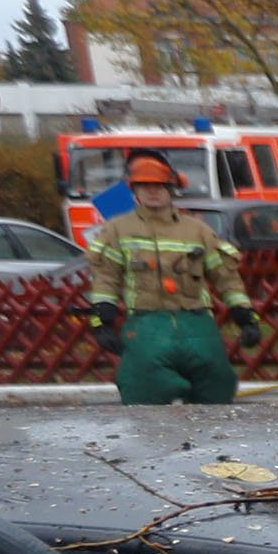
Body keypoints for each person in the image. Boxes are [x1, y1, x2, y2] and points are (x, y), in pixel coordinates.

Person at [82, 152, 260, 405]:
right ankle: (155, 441)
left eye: (160, 186)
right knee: (143, 384)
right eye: (145, 186)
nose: (153, 192)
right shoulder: (117, 229)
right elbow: (105, 277)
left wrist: (245, 316)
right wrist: (102, 318)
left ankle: (211, 439)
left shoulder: (197, 230)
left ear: (172, 189)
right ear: (135, 190)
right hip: (146, 323)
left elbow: (225, 277)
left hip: (196, 322)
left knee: (217, 382)